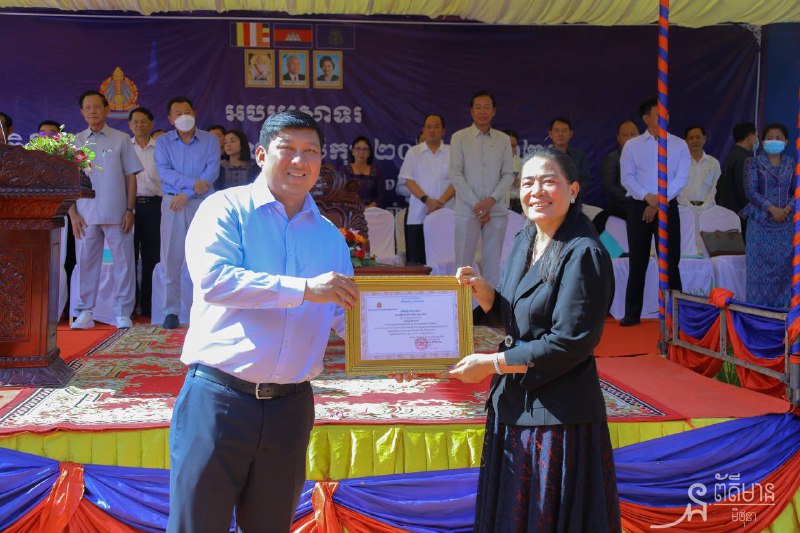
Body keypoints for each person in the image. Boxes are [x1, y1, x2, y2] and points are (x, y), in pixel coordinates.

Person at [167, 111, 357, 533]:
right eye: (287, 148)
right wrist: (304, 289)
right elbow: (215, 281)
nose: (299, 160)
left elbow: (345, 313)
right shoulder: (224, 209)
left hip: (291, 409)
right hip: (219, 401)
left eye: (311, 151)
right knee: (197, 525)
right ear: (260, 154)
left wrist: (410, 342)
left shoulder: (329, 235)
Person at [448, 146, 619, 530]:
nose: (536, 191)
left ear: (572, 189)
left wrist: (491, 364)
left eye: (548, 181)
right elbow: (518, 317)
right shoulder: (527, 238)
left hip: (556, 418)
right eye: (527, 183)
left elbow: (569, 342)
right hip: (513, 403)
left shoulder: (584, 252)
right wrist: (484, 293)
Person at [69, 90, 142, 329]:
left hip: (117, 212)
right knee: (86, 264)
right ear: (82, 112)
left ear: (107, 109)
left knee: (124, 263)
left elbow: (130, 176)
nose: (92, 111)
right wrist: (73, 214)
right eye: (88, 107)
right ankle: (85, 312)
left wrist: (130, 209)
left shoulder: (121, 139)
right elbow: (69, 181)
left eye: (97, 107)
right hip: (85, 215)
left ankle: (122, 312)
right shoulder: (76, 141)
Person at [619, 98, 690, 326]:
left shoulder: (679, 145)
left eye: (666, 114)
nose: (664, 118)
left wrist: (659, 201)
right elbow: (627, 177)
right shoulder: (633, 146)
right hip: (639, 205)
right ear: (646, 118)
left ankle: (676, 315)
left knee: (670, 262)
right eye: (658, 115)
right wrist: (646, 197)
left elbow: (681, 178)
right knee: (638, 261)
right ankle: (632, 314)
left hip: (667, 206)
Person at [154, 96, 220, 329]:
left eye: (187, 112)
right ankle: (171, 311)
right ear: (170, 119)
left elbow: (212, 172)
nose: (184, 117)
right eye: (178, 113)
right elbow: (164, 172)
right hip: (173, 203)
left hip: (202, 203)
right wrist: (192, 186)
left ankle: (206, 308)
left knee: (206, 255)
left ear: (194, 113)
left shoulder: (210, 140)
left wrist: (188, 194)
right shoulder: (163, 142)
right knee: (171, 257)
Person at [450, 91, 514, 287]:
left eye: (487, 107)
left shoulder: (503, 139)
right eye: (478, 107)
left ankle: (491, 306)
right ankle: (462, 305)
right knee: (463, 266)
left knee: (492, 267)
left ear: (494, 111)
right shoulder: (459, 137)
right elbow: (455, 174)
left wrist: (490, 201)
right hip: (467, 209)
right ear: (471, 111)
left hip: (496, 210)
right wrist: (477, 205)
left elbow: (508, 174)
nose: (482, 111)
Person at [741, 123, 795, 308]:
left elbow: (796, 191)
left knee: (784, 268)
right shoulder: (752, 163)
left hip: (786, 225)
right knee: (758, 270)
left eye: (778, 138)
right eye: (770, 138)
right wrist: (772, 209)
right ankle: (758, 312)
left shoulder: (792, 164)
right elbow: (751, 191)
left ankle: (783, 311)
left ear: (786, 141)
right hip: (760, 222)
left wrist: (786, 210)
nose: (774, 141)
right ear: (763, 141)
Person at [398, 113, 454, 265]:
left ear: (444, 130)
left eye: (436, 126)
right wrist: (427, 201)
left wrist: (439, 203)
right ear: (423, 130)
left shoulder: (453, 152)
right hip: (418, 216)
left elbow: (457, 181)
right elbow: (409, 180)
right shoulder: (414, 152)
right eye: (428, 126)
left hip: (446, 215)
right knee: (417, 264)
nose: (432, 130)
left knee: (445, 261)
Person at [128, 107, 162, 317]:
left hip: (154, 206)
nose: (139, 125)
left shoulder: (161, 148)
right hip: (128, 207)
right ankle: (130, 306)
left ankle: (149, 306)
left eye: (143, 121)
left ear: (151, 124)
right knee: (128, 256)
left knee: (152, 256)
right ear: (130, 125)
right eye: (135, 121)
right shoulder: (125, 146)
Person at [595, 120, 639, 233]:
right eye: (625, 135)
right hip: (622, 207)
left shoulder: (647, 158)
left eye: (633, 134)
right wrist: (634, 198)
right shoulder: (612, 158)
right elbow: (609, 186)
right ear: (618, 138)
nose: (629, 138)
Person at [718, 121, 758, 239]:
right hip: (742, 217)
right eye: (756, 136)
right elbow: (745, 191)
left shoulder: (733, 155)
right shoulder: (743, 159)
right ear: (750, 136)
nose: (757, 140)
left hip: (733, 215)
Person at [677, 125, 721, 210]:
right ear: (686, 141)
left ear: (704, 138)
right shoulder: (680, 162)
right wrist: (689, 207)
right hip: (684, 209)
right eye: (691, 138)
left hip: (709, 210)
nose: (695, 141)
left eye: (698, 137)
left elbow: (716, 188)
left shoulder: (713, 163)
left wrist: (705, 206)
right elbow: (677, 189)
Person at [548, 117, 592, 197]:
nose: (560, 134)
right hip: (550, 198)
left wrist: (571, 192)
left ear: (570, 134)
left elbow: (585, 180)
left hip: (574, 198)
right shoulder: (543, 157)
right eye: (557, 131)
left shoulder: (579, 156)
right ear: (550, 134)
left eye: (564, 130)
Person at [340, 135, 385, 208]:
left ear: (369, 153)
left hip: (372, 211)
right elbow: (339, 194)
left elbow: (381, 196)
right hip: (349, 210)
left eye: (365, 149)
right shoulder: (344, 171)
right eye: (358, 149)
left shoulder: (377, 172)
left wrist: (369, 208)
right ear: (352, 152)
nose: (361, 152)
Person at [504, 128, 523, 213]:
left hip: (516, 203)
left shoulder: (521, 163)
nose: (510, 148)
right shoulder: (492, 162)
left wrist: (521, 183)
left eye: (513, 145)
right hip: (498, 203)